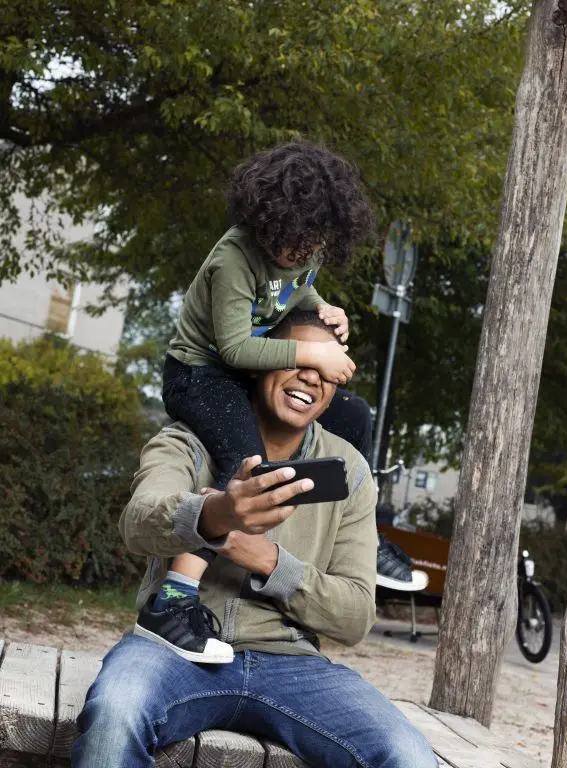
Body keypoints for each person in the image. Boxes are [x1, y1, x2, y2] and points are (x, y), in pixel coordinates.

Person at [72, 311, 437, 768]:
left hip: (292, 664)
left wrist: (268, 561)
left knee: (410, 755)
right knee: (114, 714)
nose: (310, 378)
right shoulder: (188, 441)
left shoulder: (350, 471)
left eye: (327, 372)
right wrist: (215, 515)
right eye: (298, 359)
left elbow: (355, 617)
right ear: (261, 362)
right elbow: (138, 523)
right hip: (173, 651)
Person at [141, 140, 376, 662]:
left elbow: (295, 293)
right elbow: (235, 347)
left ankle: (322, 511)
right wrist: (310, 347)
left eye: (311, 242)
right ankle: (173, 600)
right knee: (244, 463)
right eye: (288, 242)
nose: (298, 254)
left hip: (242, 372)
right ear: (266, 221)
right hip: (201, 373)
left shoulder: (304, 249)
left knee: (354, 417)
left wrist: (326, 311)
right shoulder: (234, 258)